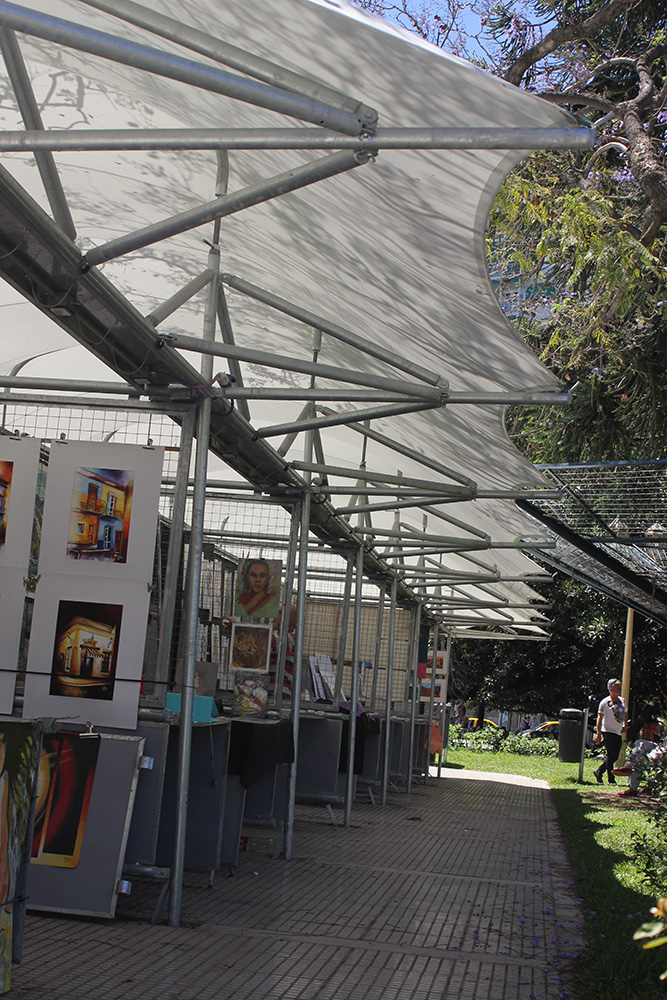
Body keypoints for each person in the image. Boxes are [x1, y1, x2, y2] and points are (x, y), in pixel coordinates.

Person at [593, 678, 627, 785]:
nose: (620, 689)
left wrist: (625, 724)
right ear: (611, 689)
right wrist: (598, 733)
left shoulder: (622, 701)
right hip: (607, 731)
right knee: (612, 755)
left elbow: (625, 713)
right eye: (618, 687)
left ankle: (599, 771)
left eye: (620, 687)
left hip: (618, 731)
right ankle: (611, 779)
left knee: (615, 756)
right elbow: (599, 718)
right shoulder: (604, 703)